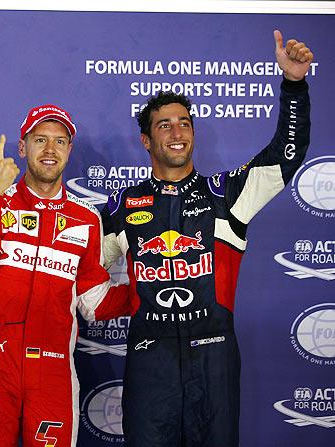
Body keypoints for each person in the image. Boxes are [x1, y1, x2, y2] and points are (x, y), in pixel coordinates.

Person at [101, 30, 313, 447]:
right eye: (164, 125)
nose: (177, 132)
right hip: (150, 359)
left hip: (214, 360)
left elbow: (285, 157)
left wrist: (294, 86)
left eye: (184, 123)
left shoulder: (228, 195)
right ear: (146, 140)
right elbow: (77, 265)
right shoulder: (121, 207)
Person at [0, 105, 131, 446]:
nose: (50, 150)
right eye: (40, 140)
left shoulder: (86, 218)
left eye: (60, 141)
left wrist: (150, 288)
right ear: (22, 148)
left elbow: (93, 302)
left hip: (53, 372)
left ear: (69, 150)